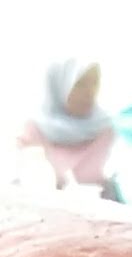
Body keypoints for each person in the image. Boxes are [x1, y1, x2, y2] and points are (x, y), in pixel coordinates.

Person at [17, 55, 118, 192]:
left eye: (94, 83)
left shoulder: (107, 131)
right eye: (81, 84)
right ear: (60, 85)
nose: (89, 92)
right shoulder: (33, 133)